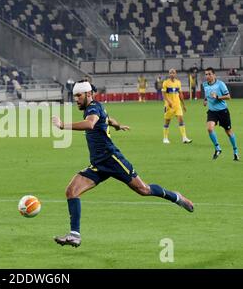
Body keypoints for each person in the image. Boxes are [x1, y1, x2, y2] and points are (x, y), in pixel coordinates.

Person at [51, 81, 194, 247]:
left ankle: (176, 197)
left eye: (78, 95)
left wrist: (62, 125)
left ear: (88, 94)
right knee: (71, 191)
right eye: (74, 96)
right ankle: (75, 235)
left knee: (144, 190)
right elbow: (107, 118)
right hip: (98, 165)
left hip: (113, 160)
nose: (76, 99)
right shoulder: (96, 108)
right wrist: (118, 125)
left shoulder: (92, 109)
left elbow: (90, 124)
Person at [202, 67, 239, 161]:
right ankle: (218, 148)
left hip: (223, 111)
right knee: (210, 128)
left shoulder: (220, 84)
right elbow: (207, 95)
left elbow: (228, 97)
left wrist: (218, 97)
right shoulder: (205, 84)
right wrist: (205, 100)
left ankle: (235, 151)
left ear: (214, 75)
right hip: (212, 112)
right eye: (206, 74)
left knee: (228, 132)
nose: (207, 76)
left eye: (209, 74)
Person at [162, 69, 192, 144]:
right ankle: (165, 138)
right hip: (169, 105)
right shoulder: (166, 82)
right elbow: (164, 94)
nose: (172, 74)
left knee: (181, 119)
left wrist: (183, 104)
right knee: (167, 121)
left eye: (173, 73)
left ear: (176, 74)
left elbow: (180, 94)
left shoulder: (178, 82)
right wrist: (168, 102)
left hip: (177, 105)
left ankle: (184, 138)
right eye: (170, 73)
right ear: (169, 74)